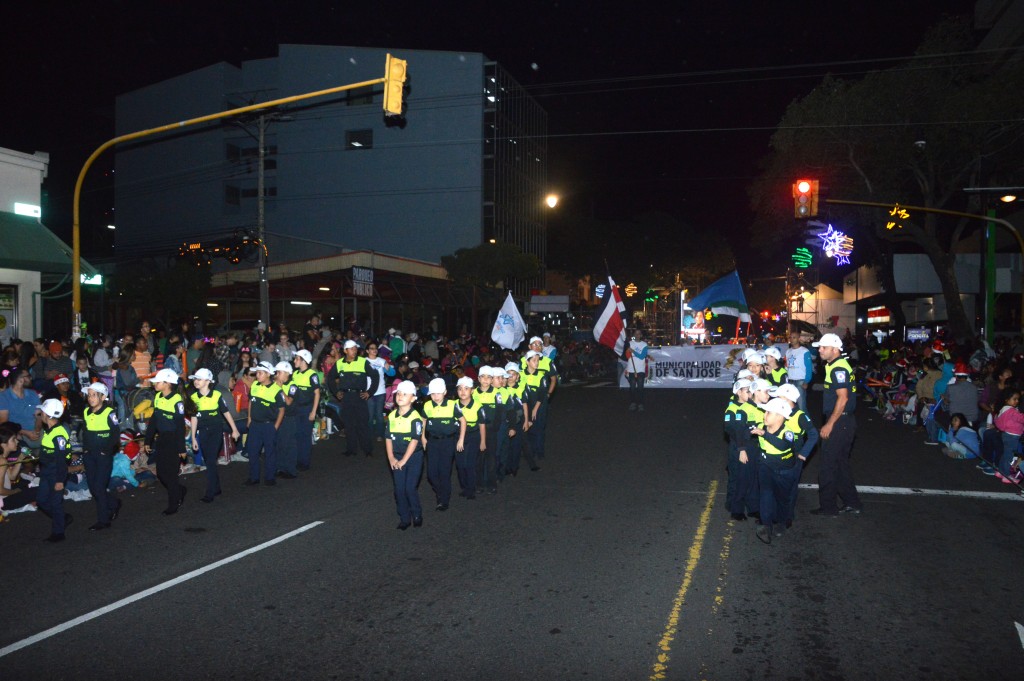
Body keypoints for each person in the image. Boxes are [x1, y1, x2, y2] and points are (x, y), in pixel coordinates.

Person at [810, 333, 862, 517]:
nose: (820, 350)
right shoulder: (836, 365)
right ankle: (852, 502)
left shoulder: (837, 367)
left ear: (834, 349)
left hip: (840, 422)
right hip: (845, 421)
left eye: (823, 347)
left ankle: (828, 508)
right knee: (840, 465)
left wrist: (830, 424)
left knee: (827, 466)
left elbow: (843, 398)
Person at [752, 398, 804, 544]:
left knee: (782, 499)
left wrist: (765, 434)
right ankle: (766, 526)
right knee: (766, 494)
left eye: (769, 412)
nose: (765, 414)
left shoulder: (787, 432)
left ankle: (781, 522)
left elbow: (783, 446)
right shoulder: (761, 426)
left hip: (784, 471)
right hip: (765, 466)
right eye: (765, 411)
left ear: (780, 416)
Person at [188, 368, 240, 503]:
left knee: (210, 461)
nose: (195, 381)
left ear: (207, 381)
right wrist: (193, 437)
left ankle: (209, 493)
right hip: (203, 432)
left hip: (215, 431)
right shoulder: (194, 397)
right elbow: (194, 418)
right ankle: (216, 488)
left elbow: (226, 413)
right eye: (195, 379)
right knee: (210, 461)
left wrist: (234, 429)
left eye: (199, 379)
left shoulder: (217, 395)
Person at [144, 368, 190, 515]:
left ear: (167, 383)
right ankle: (179, 490)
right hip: (162, 439)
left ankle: (173, 504)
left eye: (158, 382)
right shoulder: (158, 397)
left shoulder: (177, 400)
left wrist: (181, 448)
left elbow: (179, 427)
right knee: (161, 474)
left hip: (173, 440)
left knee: (170, 474)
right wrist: (147, 440)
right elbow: (154, 420)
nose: (155, 384)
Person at [326, 339, 378, 457]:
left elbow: (375, 376)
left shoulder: (362, 362)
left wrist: (370, 392)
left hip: (359, 396)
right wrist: (336, 392)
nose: (355, 351)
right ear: (345, 350)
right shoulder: (339, 363)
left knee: (362, 423)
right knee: (348, 424)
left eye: (356, 348)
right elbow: (330, 378)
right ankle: (351, 449)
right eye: (352, 349)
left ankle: (367, 450)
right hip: (346, 397)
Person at [81, 382, 122, 530]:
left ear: (103, 397)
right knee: (94, 488)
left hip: (103, 456)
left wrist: (106, 450)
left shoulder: (109, 412)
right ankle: (113, 503)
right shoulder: (86, 411)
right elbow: (85, 432)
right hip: (89, 455)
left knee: (99, 487)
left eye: (94, 395)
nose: (90, 398)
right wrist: (85, 450)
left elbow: (115, 434)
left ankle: (104, 520)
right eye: (89, 395)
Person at [386, 380, 425, 530]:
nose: (400, 396)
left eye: (405, 394)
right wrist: (391, 457)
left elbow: (414, 441)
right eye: (399, 393)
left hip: (413, 457)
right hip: (396, 456)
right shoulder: (392, 416)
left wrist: (403, 461)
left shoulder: (415, 418)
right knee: (399, 489)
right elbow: (388, 438)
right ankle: (404, 517)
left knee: (410, 488)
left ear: (413, 398)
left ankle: (416, 514)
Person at [37, 399, 73, 541]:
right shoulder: (50, 430)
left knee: (55, 503)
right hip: (47, 470)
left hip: (55, 472)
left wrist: (59, 480)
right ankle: (62, 518)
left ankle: (58, 533)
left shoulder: (58, 434)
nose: (40, 414)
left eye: (42, 412)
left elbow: (61, 460)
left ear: (47, 414)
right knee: (41, 500)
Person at [724, 378, 759, 522]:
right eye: (747, 391)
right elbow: (733, 430)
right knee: (739, 478)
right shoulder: (732, 409)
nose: (750, 393)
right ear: (738, 392)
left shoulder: (751, 406)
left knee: (752, 478)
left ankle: (753, 507)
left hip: (751, 445)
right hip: (739, 446)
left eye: (751, 390)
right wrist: (741, 449)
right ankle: (735, 509)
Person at [245, 361, 285, 486]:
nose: (257, 375)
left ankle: (270, 477)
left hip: (268, 425)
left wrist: (275, 426)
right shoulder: (255, 385)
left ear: (268, 374)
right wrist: (249, 419)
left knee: (270, 452)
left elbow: (282, 409)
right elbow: (251, 402)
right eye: (256, 372)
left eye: (260, 373)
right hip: (255, 425)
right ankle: (254, 477)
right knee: (252, 451)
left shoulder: (276, 390)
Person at [422, 377, 459, 511]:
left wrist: (460, 439)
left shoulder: (452, 404)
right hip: (432, 442)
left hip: (448, 442)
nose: (435, 396)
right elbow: (423, 421)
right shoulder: (427, 405)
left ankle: (444, 499)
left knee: (444, 472)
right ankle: (439, 492)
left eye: (438, 393)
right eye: (432, 394)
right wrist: (423, 437)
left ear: (444, 392)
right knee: (431, 474)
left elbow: (463, 421)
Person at [454, 376, 484, 500]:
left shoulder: (478, 405)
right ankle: (464, 487)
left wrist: (482, 441)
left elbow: (482, 425)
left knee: (469, 464)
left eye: (466, 388)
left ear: (472, 390)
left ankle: (471, 489)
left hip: (473, 436)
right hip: (458, 437)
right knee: (460, 465)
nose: (463, 391)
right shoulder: (454, 404)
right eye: (460, 389)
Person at [0, 368, 42, 455]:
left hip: (36, 430)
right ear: (20, 380)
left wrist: (37, 430)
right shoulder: (4, 397)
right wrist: (25, 433)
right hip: (18, 434)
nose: (30, 378)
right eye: (28, 376)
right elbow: (4, 423)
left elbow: (39, 415)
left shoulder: (32, 394)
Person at [291, 349, 321, 472]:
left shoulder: (312, 375)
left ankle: (305, 462)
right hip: (296, 409)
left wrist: (313, 412)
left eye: (297, 359)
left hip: (307, 408)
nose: (294, 361)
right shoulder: (295, 374)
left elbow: (317, 394)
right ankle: (298, 460)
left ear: (303, 360)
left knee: (305, 436)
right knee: (297, 435)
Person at [474, 366, 499, 495]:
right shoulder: (473, 393)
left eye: (489, 377)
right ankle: (478, 483)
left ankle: (492, 483)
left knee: (491, 458)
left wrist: (495, 427)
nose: (485, 380)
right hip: (477, 430)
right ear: (478, 378)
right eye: (483, 377)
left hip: (491, 430)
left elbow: (500, 412)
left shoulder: (496, 393)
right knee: (478, 458)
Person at [522, 351, 551, 461]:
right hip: (526, 407)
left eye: (538, 360)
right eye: (534, 360)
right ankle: (529, 451)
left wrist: (535, 409)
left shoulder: (541, 376)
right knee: (528, 430)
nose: (537, 363)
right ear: (527, 362)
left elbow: (542, 393)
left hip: (539, 406)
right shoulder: (521, 375)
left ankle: (539, 452)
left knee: (539, 429)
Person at [273, 361, 299, 480]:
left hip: (289, 418)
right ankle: (280, 467)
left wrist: (279, 388)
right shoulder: (275, 383)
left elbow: (288, 402)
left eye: (279, 372)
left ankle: (291, 470)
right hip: (278, 417)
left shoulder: (293, 385)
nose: (277, 375)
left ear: (286, 373)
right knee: (279, 443)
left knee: (289, 444)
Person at [365, 342, 391, 443]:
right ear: (367, 351)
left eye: (375, 348)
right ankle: (370, 435)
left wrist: (388, 368)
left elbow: (391, 373)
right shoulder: (363, 361)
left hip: (380, 391)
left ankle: (380, 434)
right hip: (369, 392)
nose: (374, 350)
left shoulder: (381, 361)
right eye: (371, 348)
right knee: (370, 415)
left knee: (379, 415)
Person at [625, 332, 649, 412]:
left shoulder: (644, 344)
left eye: (639, 334)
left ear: (641, 335)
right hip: (631, 369)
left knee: (640, 387)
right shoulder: (629, 343)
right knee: (632, 388)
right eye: (636, 334)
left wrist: (633, 351)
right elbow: (627, 356)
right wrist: (628, 351)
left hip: (640, 369)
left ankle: (640, 404)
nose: (637, 335)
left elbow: (642, 356)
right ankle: (633, 403)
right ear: (634, 335)